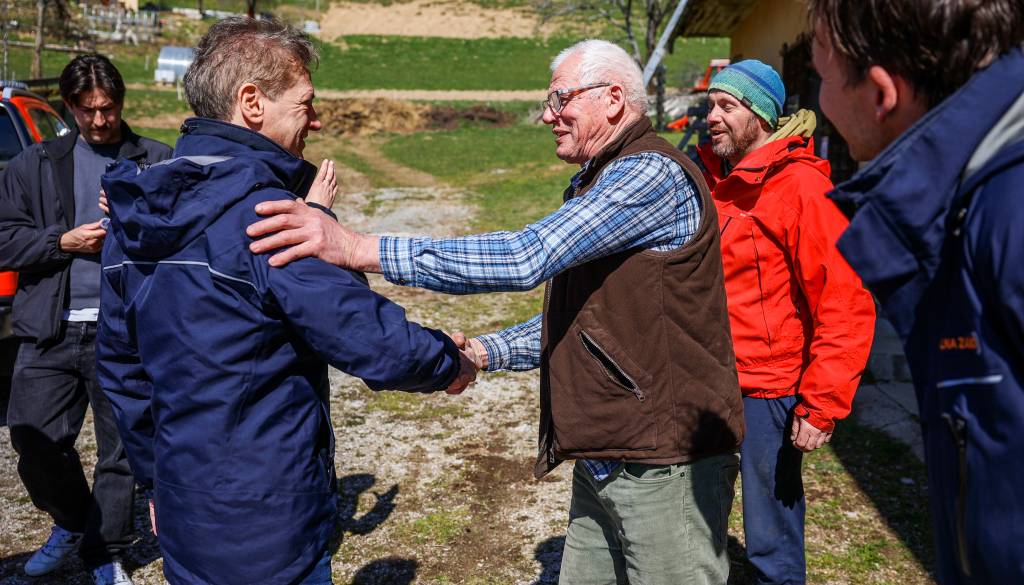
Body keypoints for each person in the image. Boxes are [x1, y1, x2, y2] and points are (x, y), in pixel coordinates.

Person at [248, 39, 745, 585]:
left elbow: (523, 257)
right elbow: (587, 319)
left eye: (560, 99)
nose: (546, 116)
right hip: (610, 454)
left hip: (663, 463)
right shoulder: (600, 177)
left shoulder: (649, 174)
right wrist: (486, 352)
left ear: (613, 99)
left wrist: (358, 248)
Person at [96, 17, 475, 585]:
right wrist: (448, 360)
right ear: (252, 102)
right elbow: (361, 332)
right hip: (268, 519)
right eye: (305, 103)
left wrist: (158, 482)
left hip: (183, 512)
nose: (316, 120)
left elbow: (124, 372)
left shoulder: (137, 215)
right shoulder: (266, 216)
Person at [806, 0, 1024, 582]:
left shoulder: (1009, 213)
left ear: (881, 94)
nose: (820, 103)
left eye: (822, 78)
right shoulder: (970, 201)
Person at [692, 59, 875, 585]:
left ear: (762, 116)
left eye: (727, 106)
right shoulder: (715, 181)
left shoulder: (801, 189)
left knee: (771, 535)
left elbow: (846, 298)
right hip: (707, 380)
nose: (713, 117)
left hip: (769, 391)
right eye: (711, 106)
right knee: (698, 515)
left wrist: (822, 402)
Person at [0, 54, 172, 585]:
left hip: (125, 331)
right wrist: (62, 241)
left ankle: (106, 553)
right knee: (34, 438)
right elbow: (5, 239)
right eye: (88, 110)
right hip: (48, 327)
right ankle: (73, 523)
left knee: (118, 451)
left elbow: (181, 238)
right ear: (69, 106)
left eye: (110, 108)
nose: (101, 120)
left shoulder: (158, 159)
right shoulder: (35, 162)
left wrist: (135, 221)